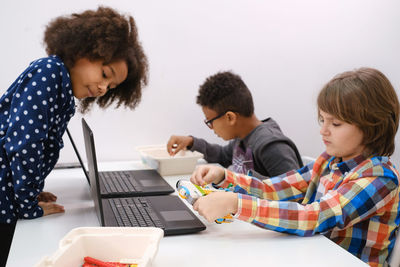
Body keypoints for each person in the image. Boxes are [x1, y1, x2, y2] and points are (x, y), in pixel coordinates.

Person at [190, 68, 400, 267]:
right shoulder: (329, 160)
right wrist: (225, 177)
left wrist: (237, 204)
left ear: (372, 126)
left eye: (335, 124)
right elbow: (275, 188)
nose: (323, 131)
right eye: (322, 120)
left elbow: (314, 216)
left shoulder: (380, 178)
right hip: (312, 255)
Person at [0, 6, 148, 266]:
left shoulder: (63, 93)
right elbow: (24, 146)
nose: (102, 88)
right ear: (82, 50)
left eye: (110, 87)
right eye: (104, 75)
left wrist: (30, 191)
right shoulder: (49, 73)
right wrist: (27, 205)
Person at [167, 71, 303, 178]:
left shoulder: (271, 146)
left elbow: (295, 195)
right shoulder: (243, 138)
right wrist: (191, 142)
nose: (211, 128)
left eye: (210, 122)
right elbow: (221, 155)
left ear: (230, 117)